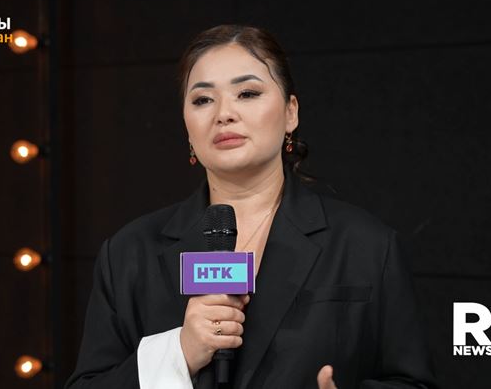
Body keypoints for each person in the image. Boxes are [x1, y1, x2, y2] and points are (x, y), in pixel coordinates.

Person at [65, 24, 439, 389]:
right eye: (203, 99)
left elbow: (412, 381)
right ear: (187, 126)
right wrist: (179, 353)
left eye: (247, 93)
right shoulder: (129, 253)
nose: (224, 113)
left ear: (291, 113)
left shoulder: (366, 245)